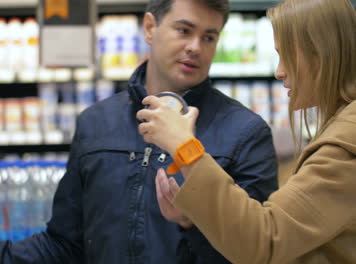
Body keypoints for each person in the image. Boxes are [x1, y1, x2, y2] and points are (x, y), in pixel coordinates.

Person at [0, 0, 279, 263]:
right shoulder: (96, 124)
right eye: (184, 30)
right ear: (150, 28)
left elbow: (258, 254)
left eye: (209, 37)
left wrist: (192, 222)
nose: (195, 47)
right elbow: (64, 246)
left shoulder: (245, 133)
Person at [138, 0, 356, 263]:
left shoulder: (346, 144)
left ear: (322, 54)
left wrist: (185, 148)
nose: (279, 71)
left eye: (287, 54)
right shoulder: (342, 130)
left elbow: (265, 240)